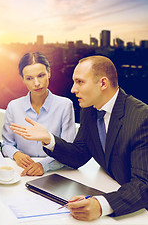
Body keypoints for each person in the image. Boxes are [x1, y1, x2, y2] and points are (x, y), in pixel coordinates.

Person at [11, 55, 148, 221]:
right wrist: (49, 139)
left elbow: (143, 185)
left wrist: (100, 205)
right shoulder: (89, 111)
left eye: (80, 82)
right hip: (109, 187)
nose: (73, 89)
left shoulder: (141, 118)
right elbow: (79, 155)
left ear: (103, 83)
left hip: (137, 210)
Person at [1, 52, 75, 176]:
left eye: (41, 76)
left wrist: (43, 165)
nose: (36, 83)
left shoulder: (64, 105)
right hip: (21, 170)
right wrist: (16, 154)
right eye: (29, 78)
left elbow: (68, 150)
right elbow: (7, 144)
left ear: (49, 73)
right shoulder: (13, 106)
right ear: (23, 79)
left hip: (54, 171)